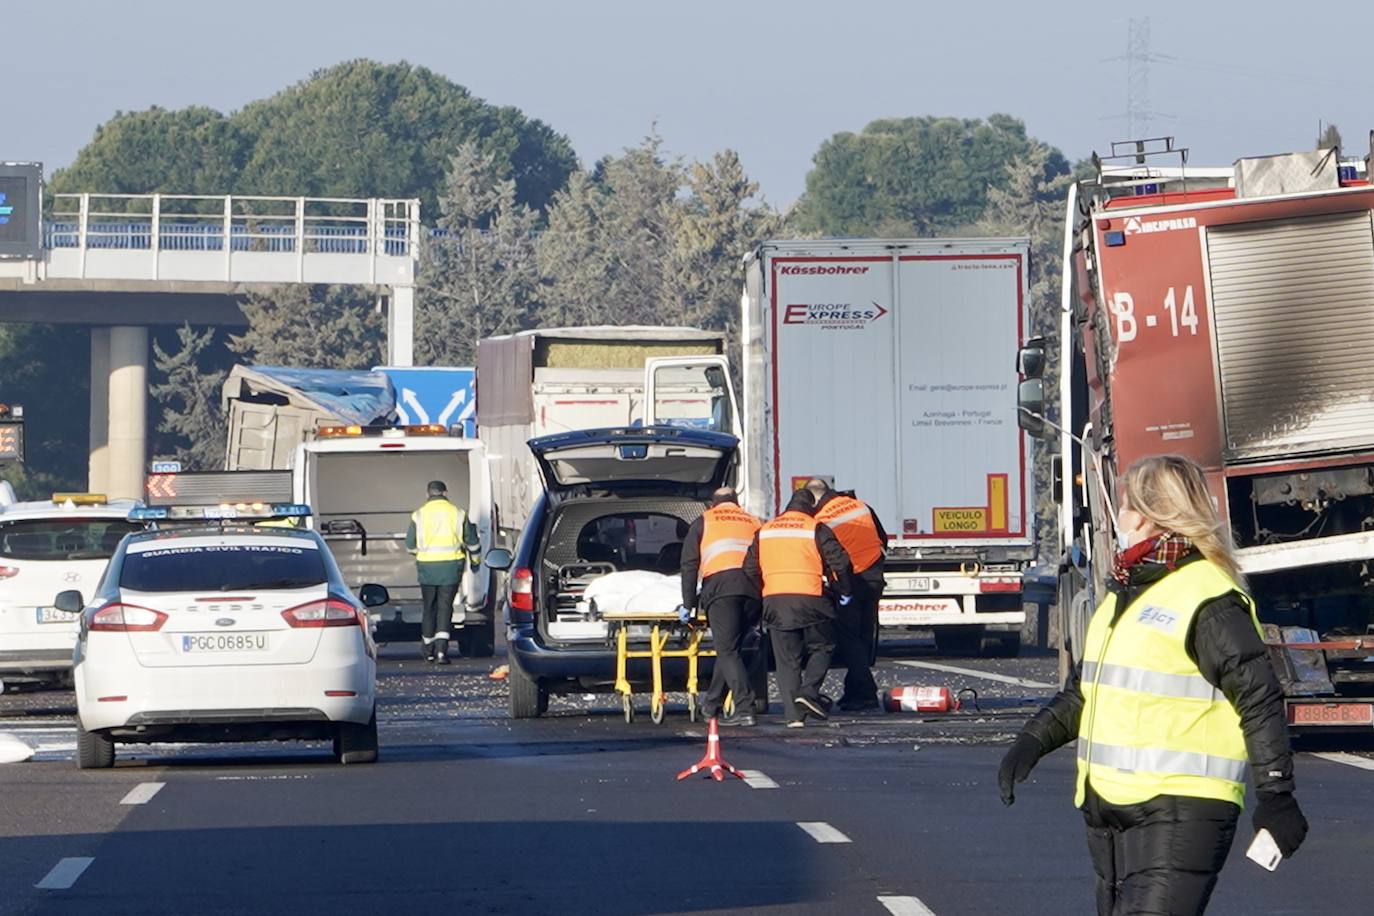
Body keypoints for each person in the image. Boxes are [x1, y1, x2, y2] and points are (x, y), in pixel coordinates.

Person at [998, 455, 1307, 915]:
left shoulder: (1208, 598)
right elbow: (1086, 691)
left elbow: (1259, 700)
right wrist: (1030, 742)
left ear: (1144, 514)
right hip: (1110, 809)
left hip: (1183, 808)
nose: (1118, 518)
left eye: (1122, 507)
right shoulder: (1124, 594)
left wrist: (1276, 795)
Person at [743, 488, 853, 728]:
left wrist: (765, 588)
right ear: (811, 508)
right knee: (824, 646)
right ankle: (809, 691)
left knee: (786, 660)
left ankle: (794, 716)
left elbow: (749, 569)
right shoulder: (816, 528)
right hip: (811, 599)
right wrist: (844, 590)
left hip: (775, 601)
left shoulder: (765, 530)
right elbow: (841, 563)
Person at [680, 487, 763, 727]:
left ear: (713, 504)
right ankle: (712, 705)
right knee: (731, 649)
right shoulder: (754, 521)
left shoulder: (704, 521)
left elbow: (689, 564)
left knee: (727, 650)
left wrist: (689, 604)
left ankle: (745, 708)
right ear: (736, 503)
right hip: (752, 590)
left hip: (722, 589)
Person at [806, 478, 886, 711]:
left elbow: (827, 556)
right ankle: (855, 692)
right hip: (873, 575)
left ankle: (866, 692)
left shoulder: (821, 519)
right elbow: (883, 539)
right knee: (862, 636)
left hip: (850, 581)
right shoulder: (860, 505)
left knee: (848, 638)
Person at [406, 480, 480, 665]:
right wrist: (475, 562)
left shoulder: (418, 515)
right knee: (445, 609)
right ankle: (441, 652)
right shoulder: (458, 513)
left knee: (429, 608)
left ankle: (428, 650)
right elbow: (473, 542)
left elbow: (410, 546)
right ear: (445, 493)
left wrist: (423, 553)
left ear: (428, 494)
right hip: (450, 568)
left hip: (427, 569)